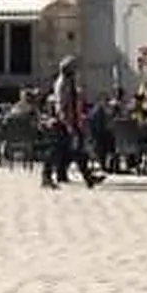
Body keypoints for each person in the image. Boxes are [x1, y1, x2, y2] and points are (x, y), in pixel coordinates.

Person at [43, 56, 102, 191]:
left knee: (75, 151)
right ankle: (47, 176)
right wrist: (68, 124)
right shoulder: (63, 83)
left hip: (71, 120)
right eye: (74, 68)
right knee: (57, 151)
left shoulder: (69, 82)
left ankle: (87, 178)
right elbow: (62, 105)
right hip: (64, 122)